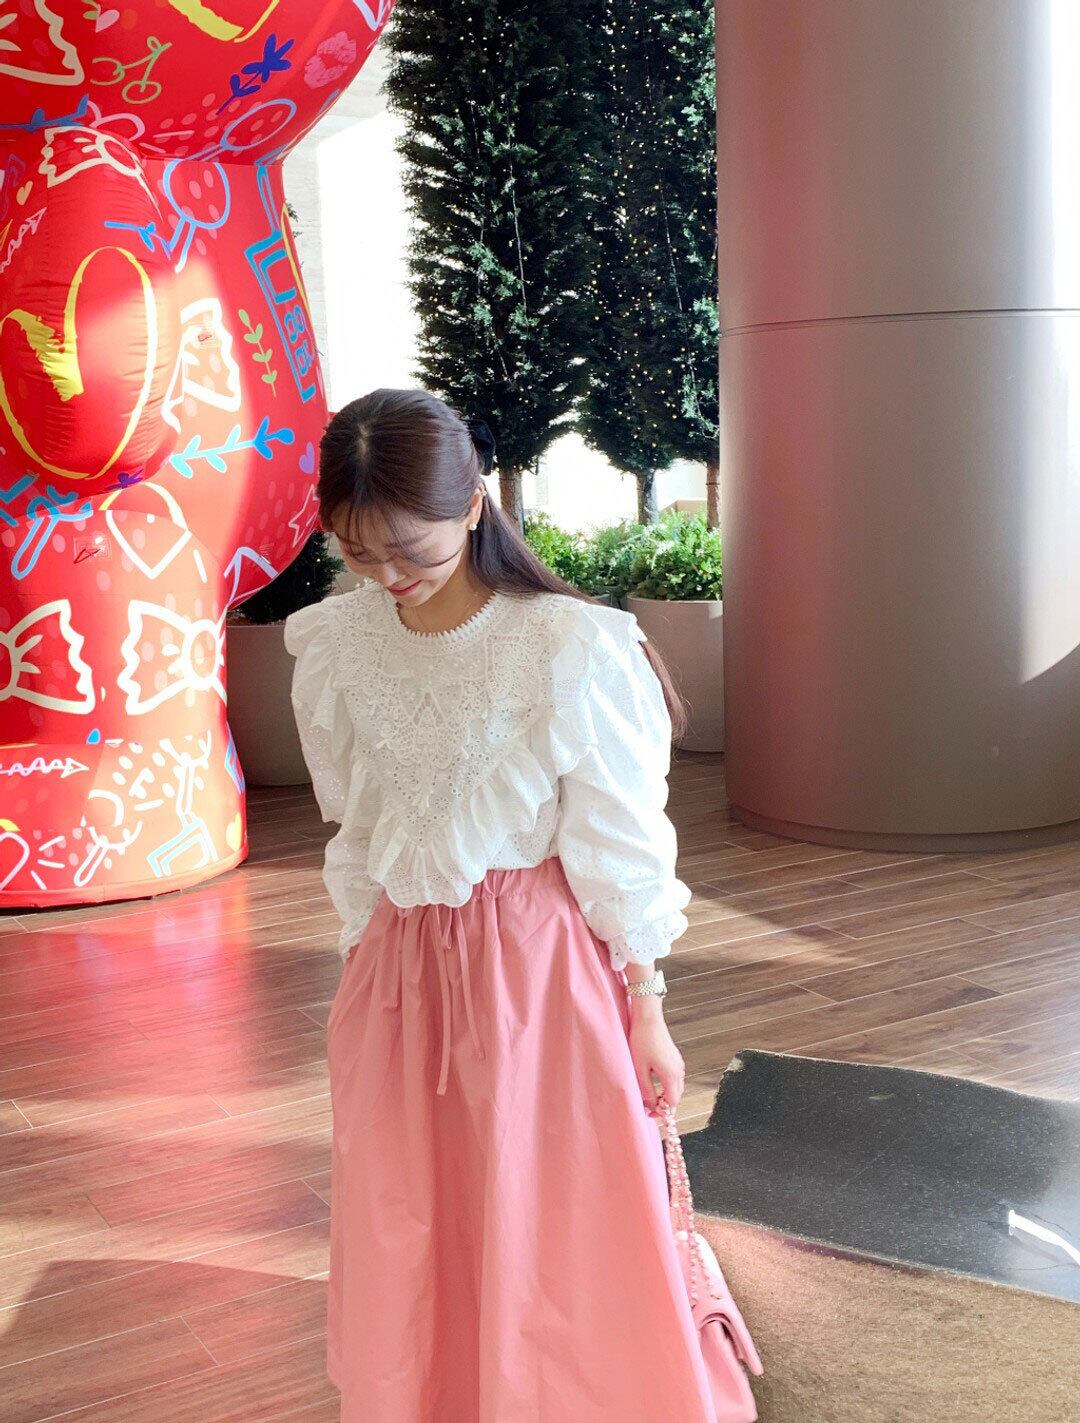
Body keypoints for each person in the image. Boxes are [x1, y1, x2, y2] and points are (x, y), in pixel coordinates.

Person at [284, 388, 717, 1422]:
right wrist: (361, 962)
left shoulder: (567, 644)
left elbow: (617, 841)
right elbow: (358, 827)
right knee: (412, 1204)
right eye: (358, 552)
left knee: (548, 1201)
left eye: (410, 549)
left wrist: (646, 1003)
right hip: (398, 973)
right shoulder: (338, 643)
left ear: (475, 503)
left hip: (536, 970)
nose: (388, 576)